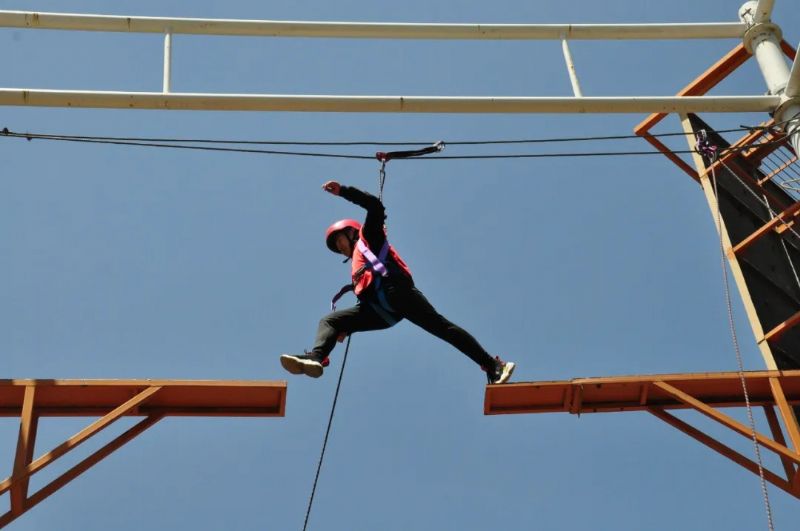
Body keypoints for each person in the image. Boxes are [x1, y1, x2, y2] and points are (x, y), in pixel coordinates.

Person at [280, 180, 515, 384]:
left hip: (397, 292)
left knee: (442, 328)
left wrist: (343, 191)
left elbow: (375, 206)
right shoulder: (357, 266)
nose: (340, 248)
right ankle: (316, 357)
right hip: (379, 311)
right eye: (337, 247)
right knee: (330, 321)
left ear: (352, 232)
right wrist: (345, 328)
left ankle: (493, 366)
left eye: (340, 241)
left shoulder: (369, 236)